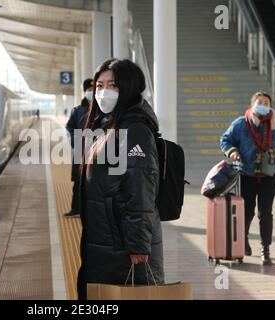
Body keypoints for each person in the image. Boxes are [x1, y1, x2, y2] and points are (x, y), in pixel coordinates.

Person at [76, 59, 164, 300]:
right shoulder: (107, 125)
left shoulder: (134, 129)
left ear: (129, 87)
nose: (103, 92)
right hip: (107, 240)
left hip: (122, 246)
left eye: (113, 85)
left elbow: (141, 187)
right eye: (100, 85)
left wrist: (138, 245)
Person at [220, 91, 275, 265]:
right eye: (260, 102)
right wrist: (233, 152)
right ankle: (242, 243)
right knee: (246, 211)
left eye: (266, 103)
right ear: (252, 104)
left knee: (265, 213)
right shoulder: (241, 123)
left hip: (268, 175)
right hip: (247, 174)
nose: (263, 105)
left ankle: (265, 249)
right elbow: (226, 140)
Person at [63, 78, 94, 218]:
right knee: (78, 181)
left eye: (94, 90)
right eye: (89, 90)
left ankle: (93, 210)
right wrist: (75, 141)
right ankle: (76, 209)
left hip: (97, 151)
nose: (91, 93)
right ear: (84, 92)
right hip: (80, 151)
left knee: (95, 181)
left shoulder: (103, 109)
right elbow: (69, 126)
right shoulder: (77, 111)